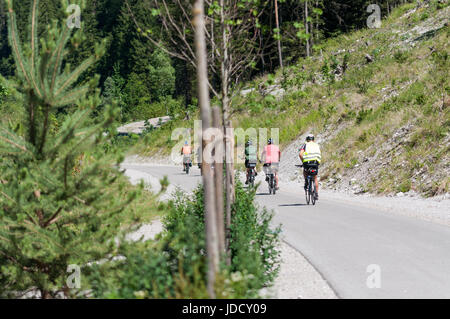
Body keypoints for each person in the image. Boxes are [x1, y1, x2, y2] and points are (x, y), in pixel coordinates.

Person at [299, 134, 321, 200]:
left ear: (307, 139)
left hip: (307, 163)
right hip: (315, 162)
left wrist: (303, 161)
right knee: (315, 178)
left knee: (305, 171)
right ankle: (316, 194)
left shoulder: (305, 144)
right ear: (313, 139)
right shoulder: (316, 145)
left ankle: (306, 181)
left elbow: (300, 154)